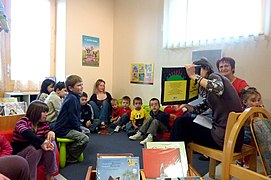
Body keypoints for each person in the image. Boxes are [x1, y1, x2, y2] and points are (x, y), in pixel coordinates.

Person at [170, 58, 244, 152]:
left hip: (226, 140)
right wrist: (186, 105)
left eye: (197, 70)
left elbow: (218, 89)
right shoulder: (211, 92)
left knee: (180, 124)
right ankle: (180, 159)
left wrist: (193, 75)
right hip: (230, 139)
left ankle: (174, 159)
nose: (194, 74)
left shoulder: (214, 76)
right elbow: (199, 109)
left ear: (206, 69)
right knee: (183, 124)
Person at [11, 100, 58, 180]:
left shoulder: (43, 124)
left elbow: (47, 135)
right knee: (34, 149)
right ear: (35, 112)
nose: (46, 114)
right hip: (19, 154)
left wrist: (51, 133)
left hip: (35, 155)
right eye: (44, 112)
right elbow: (26, 133)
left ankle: (49, 175)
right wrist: (42, 142)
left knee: (50, 143)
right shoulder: (23, 121)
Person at [54, 75, 89, 164]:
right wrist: (79, 129)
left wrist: (80, 128)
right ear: (70, 88)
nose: (81, 87)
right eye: (79, 85)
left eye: (82, 84)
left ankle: (70, 149)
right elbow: (72, 118)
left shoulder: (74, 96)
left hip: (69, 126)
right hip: (63, 129)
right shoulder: (72, 99)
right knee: (84, 138)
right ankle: (69, 156)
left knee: (87, 130)